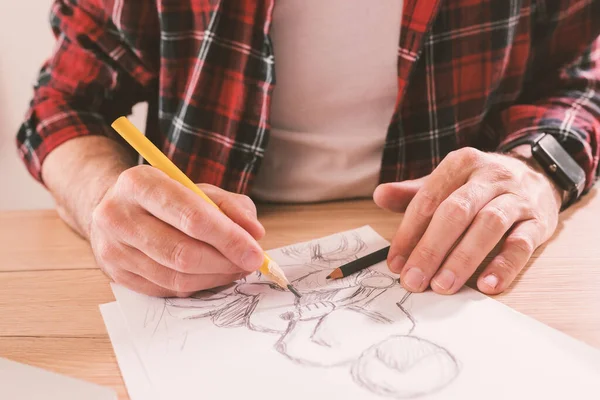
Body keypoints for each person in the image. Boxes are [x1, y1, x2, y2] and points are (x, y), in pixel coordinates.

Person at [16, 1, 600, 298]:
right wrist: (101, 200)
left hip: (450, 247)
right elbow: (62, 106)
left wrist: (535, 171)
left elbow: (580, 76)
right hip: (204, 257)